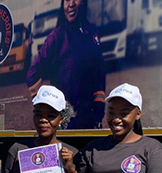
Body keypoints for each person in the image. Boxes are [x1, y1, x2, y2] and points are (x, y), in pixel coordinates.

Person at [26, 0, 106, 129]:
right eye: (66, 0)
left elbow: (99, 75)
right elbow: (32, 74)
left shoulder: (93, 33)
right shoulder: (57, 37)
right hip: (66, 122)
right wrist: (47, 105)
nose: (71, 4)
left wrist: (98, 113)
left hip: (89, 120)